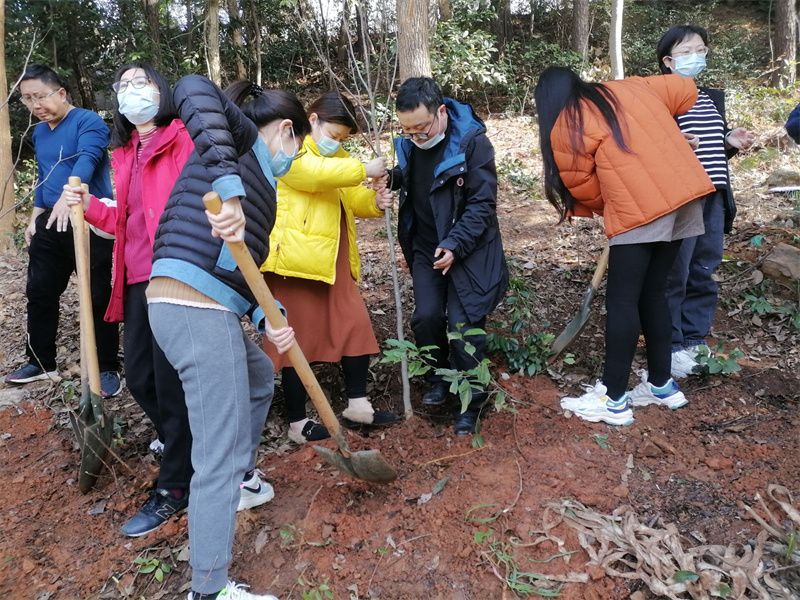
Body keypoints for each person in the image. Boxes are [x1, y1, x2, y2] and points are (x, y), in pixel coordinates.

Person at [150, 74, 306, 600]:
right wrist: (229, 187)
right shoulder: (238, 144)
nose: (294, 160)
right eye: (298, 148)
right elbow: (192, 87)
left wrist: (271, 317)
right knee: (213, 450)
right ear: (286, 130)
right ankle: (209, 589)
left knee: (261, 375)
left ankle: (241, 481)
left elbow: (239, 270)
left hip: (209, 303)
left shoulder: (265, 185)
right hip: (188, 305)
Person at [535, 66, 716, 426]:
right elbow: (685, 89)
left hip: (641, 210)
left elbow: (583, 186)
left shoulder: (567, 122)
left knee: (622, 300)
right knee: (654, 294)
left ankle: (613, 397)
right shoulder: (629, 87)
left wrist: (615, 205)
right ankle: (662, 385)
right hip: (687, 198)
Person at [61, 63, 195, 537]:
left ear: (162, 91)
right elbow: (128, 219)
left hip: (175, 270)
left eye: (143, 83)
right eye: (124, 85)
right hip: (135, 274)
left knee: (170, 379)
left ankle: (177, 484)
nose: (133, 91)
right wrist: (88, 205)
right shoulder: (125, 152)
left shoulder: (182, 136)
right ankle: (187, 443)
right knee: (139, 376)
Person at [262, 91, 400, 442]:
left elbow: (348, 194)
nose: (336, 143)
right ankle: (297, 423)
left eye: (342, 138)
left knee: (354, 324)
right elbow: (311, 176)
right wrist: (362, 169)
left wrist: (374, 200)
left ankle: (358, 405)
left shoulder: (336, 157)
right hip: (298, 260)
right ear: (313, 120)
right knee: (298, 339)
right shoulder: (292, 150)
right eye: (333, 134)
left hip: (333, 258)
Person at [390, 77, 508, 436]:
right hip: (427, 246)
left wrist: (456, 244)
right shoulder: (410, 146)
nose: (416, 137)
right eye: (407, 130)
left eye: (422, 128)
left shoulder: (473, 144)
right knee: (425, 317)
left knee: (463, 325)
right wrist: (394, 178)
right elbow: (417, 182)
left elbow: (482, 204)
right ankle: (440, 378)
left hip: (469, 249)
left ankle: (473, 397)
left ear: (440, 112)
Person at [5, 64, 120, 396]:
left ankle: (107, 366)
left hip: (91, 220)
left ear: (60, 93)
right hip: (50, 222)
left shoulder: (88, 121)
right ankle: (41, 362)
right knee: (40, 291)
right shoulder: (40, 131)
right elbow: (44, 177)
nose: (35, 105)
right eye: (27, 99)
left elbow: (87, 158)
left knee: (98, 295)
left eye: (40, 96)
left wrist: (69, 198)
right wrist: (35, 215)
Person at [656, 25, 754, 379]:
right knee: (675, 273)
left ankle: (693, 339)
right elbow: (649, 149)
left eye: (700, 49)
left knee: (703, 269)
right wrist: (671, 143)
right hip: (682, 197)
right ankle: (669, 344)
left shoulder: (708, 97)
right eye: (686, 51)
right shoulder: (660, 98)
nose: (695, 56)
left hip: (713, 195)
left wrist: (729, 140)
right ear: (669, 61)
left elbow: (710, 150)